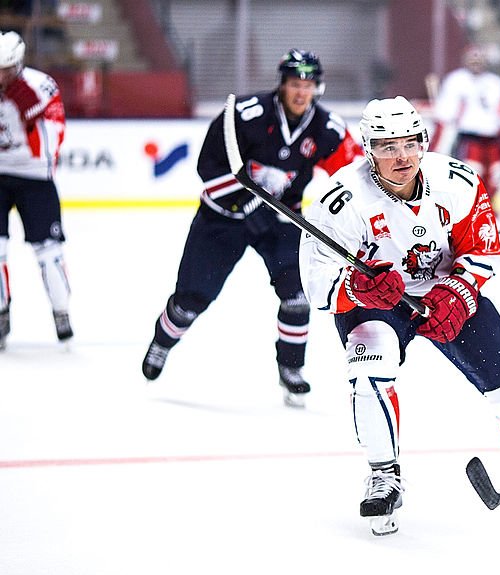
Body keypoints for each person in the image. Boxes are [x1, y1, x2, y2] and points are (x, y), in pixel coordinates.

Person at [298, 96, 500, 535]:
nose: (401, 156)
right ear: (368, 148)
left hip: (444, 292)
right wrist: (357, 286)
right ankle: (384, 476)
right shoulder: (340, 200)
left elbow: (483, 249)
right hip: (375, 302)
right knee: (369, 372)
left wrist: (458, 292)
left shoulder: (457, 181)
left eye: (410, 144)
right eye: (387, 146)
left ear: (423, 141)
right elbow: (316, 280)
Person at [140, 49, 362, 406]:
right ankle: (162, 342)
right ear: (282, 84)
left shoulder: (327, 127)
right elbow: (208, 166)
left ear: (317, 88)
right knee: (190, 301)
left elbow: (353, 176)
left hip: (279, 219)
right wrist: (243, 204)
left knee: (296, 296)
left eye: (307, 85)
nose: (300, 92)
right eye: (294, 83)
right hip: (221, 219)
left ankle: (291, 369)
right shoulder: (245, 115)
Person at [0, 30, 71, 351]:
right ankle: (1, 313)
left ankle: (61, 310)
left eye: (6, 69)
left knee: (49, 253)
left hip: (35, 178)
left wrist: (30, 116)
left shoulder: (41, 87)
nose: (1, 76)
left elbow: (52, 145)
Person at [432, 45, 500, 208]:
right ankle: (470, 208)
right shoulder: (456, 80)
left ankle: (489, 207)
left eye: (479, 58)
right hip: (469, 135)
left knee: (495, 174)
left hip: (493, 136)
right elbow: (445, 111)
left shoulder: (495, 82)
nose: (476, 61)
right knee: (471, 172)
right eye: (472, 58)